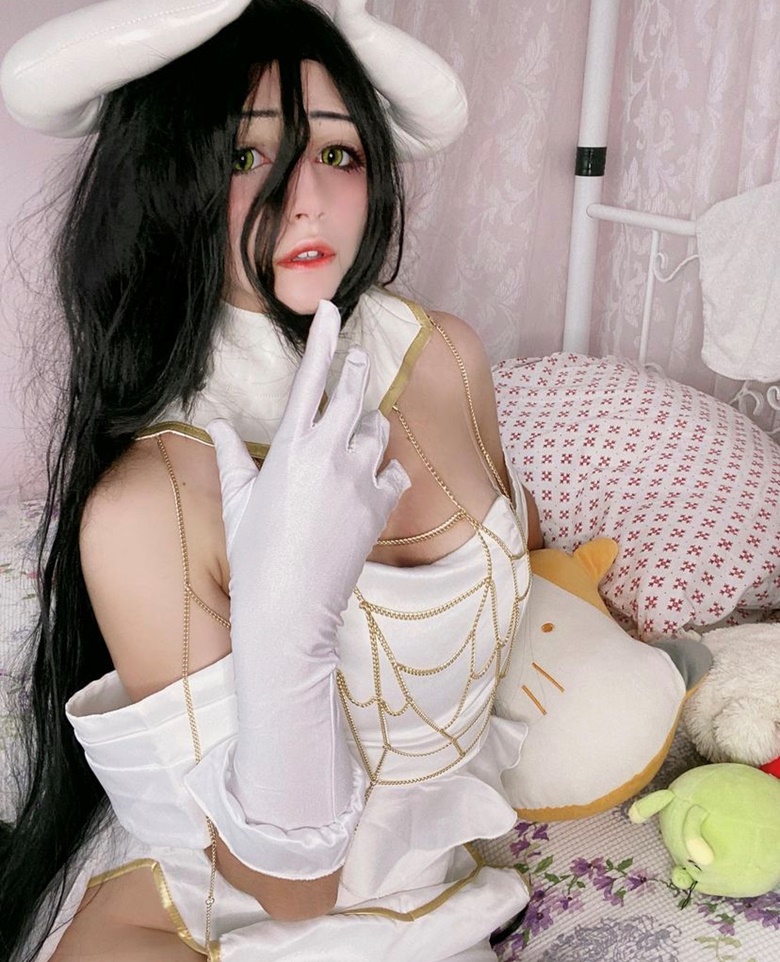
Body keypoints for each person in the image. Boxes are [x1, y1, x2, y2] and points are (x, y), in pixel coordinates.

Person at [0, 1, 543, 960]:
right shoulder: (149, 501)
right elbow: (291, 895)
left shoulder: (445, 356)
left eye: (337, 152)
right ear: (168, 182)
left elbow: (513, 586)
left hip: (433, 887)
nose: (307, 198)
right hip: (209, 916)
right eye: (246, 155)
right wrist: (287, 612)